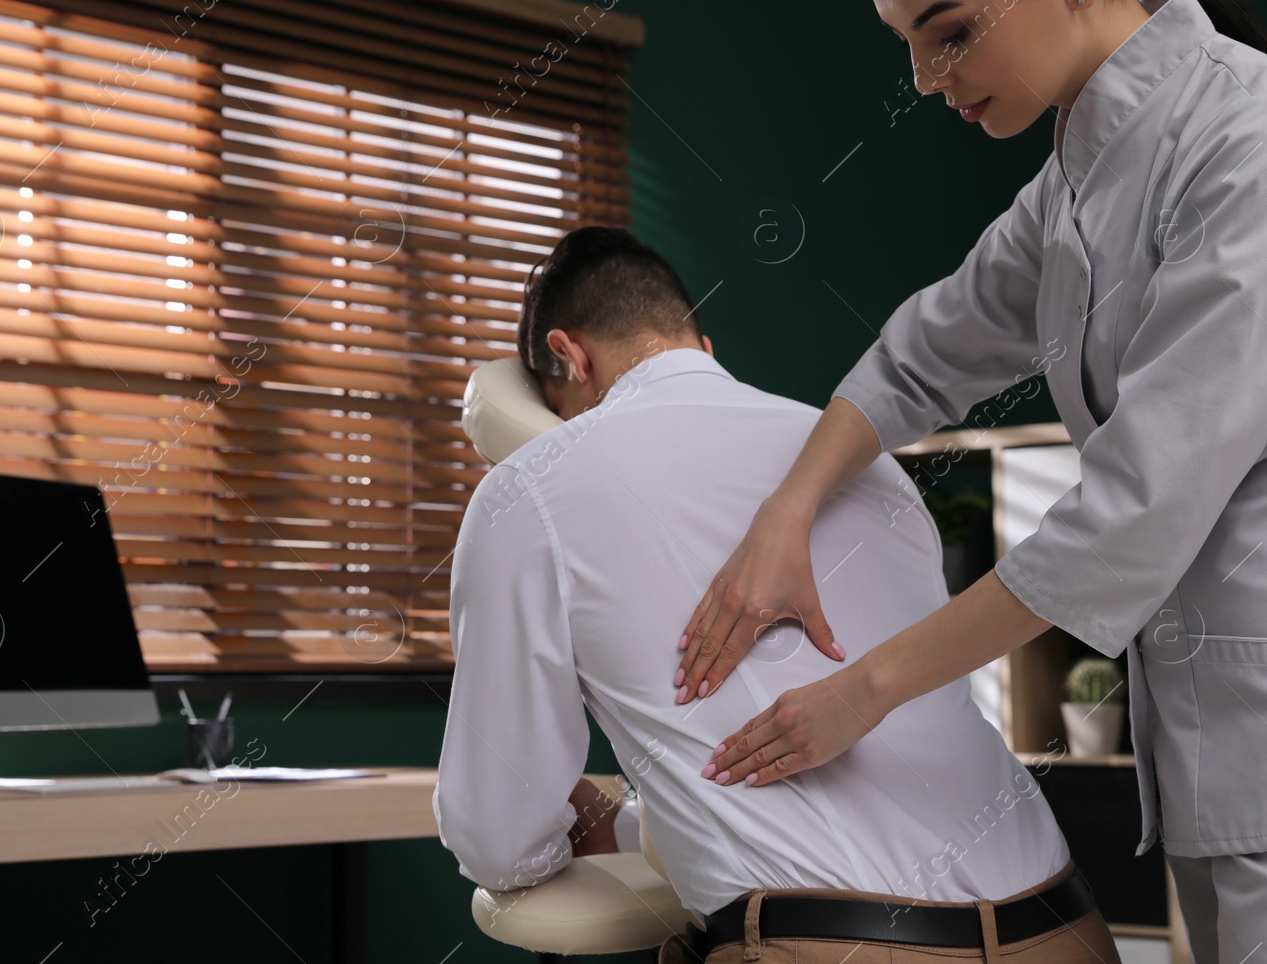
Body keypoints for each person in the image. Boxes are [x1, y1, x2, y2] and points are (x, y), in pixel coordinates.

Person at [673, 0, 1267, 962]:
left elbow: (1135, 509)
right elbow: (923, 351)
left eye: (948, 33)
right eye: (907, 46)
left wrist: (864, 689)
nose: (923, 80)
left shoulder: (1261, 137)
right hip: (1216, 743)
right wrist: (788, 507)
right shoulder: (1073, 185)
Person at [433, 227, 1121, 963]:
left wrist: (554, 832)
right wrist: (635, 818)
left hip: (834, 944)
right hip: (1063, 924)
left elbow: (496, 837)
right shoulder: (864, 463)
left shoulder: (527, 490)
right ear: (703, 345)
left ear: (569, 357)